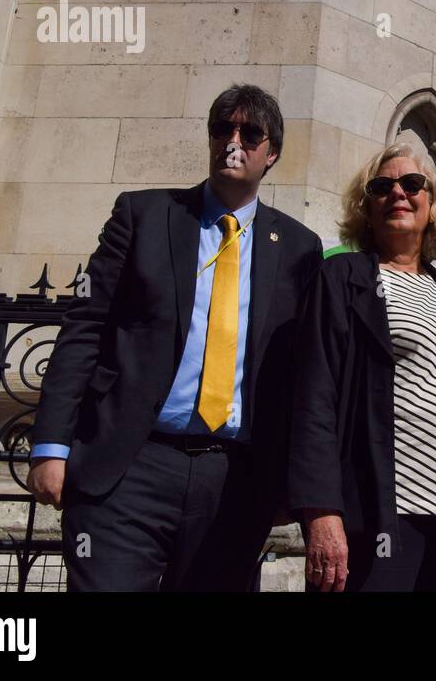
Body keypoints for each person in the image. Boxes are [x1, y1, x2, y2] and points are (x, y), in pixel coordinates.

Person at [28, 84, 321, 591]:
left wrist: (292, 484)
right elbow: (85, 328)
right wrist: (51, 445)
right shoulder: (142, 215)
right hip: (129, 467)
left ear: (271, 154)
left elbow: (302, 373)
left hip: (233, 482)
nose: (233, 141)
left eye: (249, 133)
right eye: (221, 129)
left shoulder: (299, 247)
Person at [289, 145, 436, 591]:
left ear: (432, 201)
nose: (398, 193)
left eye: (412, 184)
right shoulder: (344, 278)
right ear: (367, 206)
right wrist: (322, 512)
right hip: (379, 514)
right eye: (382, 187)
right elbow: (314, 395)